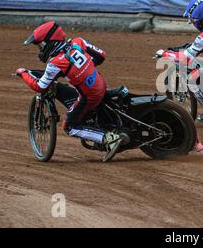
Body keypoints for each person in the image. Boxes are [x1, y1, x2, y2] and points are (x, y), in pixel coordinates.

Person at [16, 21, 125, 162]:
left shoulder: (55, 63)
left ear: (50, 42)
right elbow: (101, 55)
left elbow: (40, 87)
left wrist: (23, 73)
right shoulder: (78, 42)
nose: (41, 50)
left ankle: (109, 138)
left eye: (41, 45)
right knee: (78, 93)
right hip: (101, 84)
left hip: (90, 96)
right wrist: (84, 67)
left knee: (69, 126)